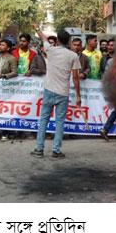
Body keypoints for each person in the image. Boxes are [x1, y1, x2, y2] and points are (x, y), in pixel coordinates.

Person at [31, 25, 81, 159]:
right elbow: (75, 78)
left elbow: (43, 37)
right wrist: (78, 96)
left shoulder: (50, 50)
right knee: (59, 122)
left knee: (43, 120)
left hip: (49, 90)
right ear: (69, 41)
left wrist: (37, 29)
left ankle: (39, 149)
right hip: (63, 93)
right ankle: (56, 151)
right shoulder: (73, 56)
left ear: (57, 40)